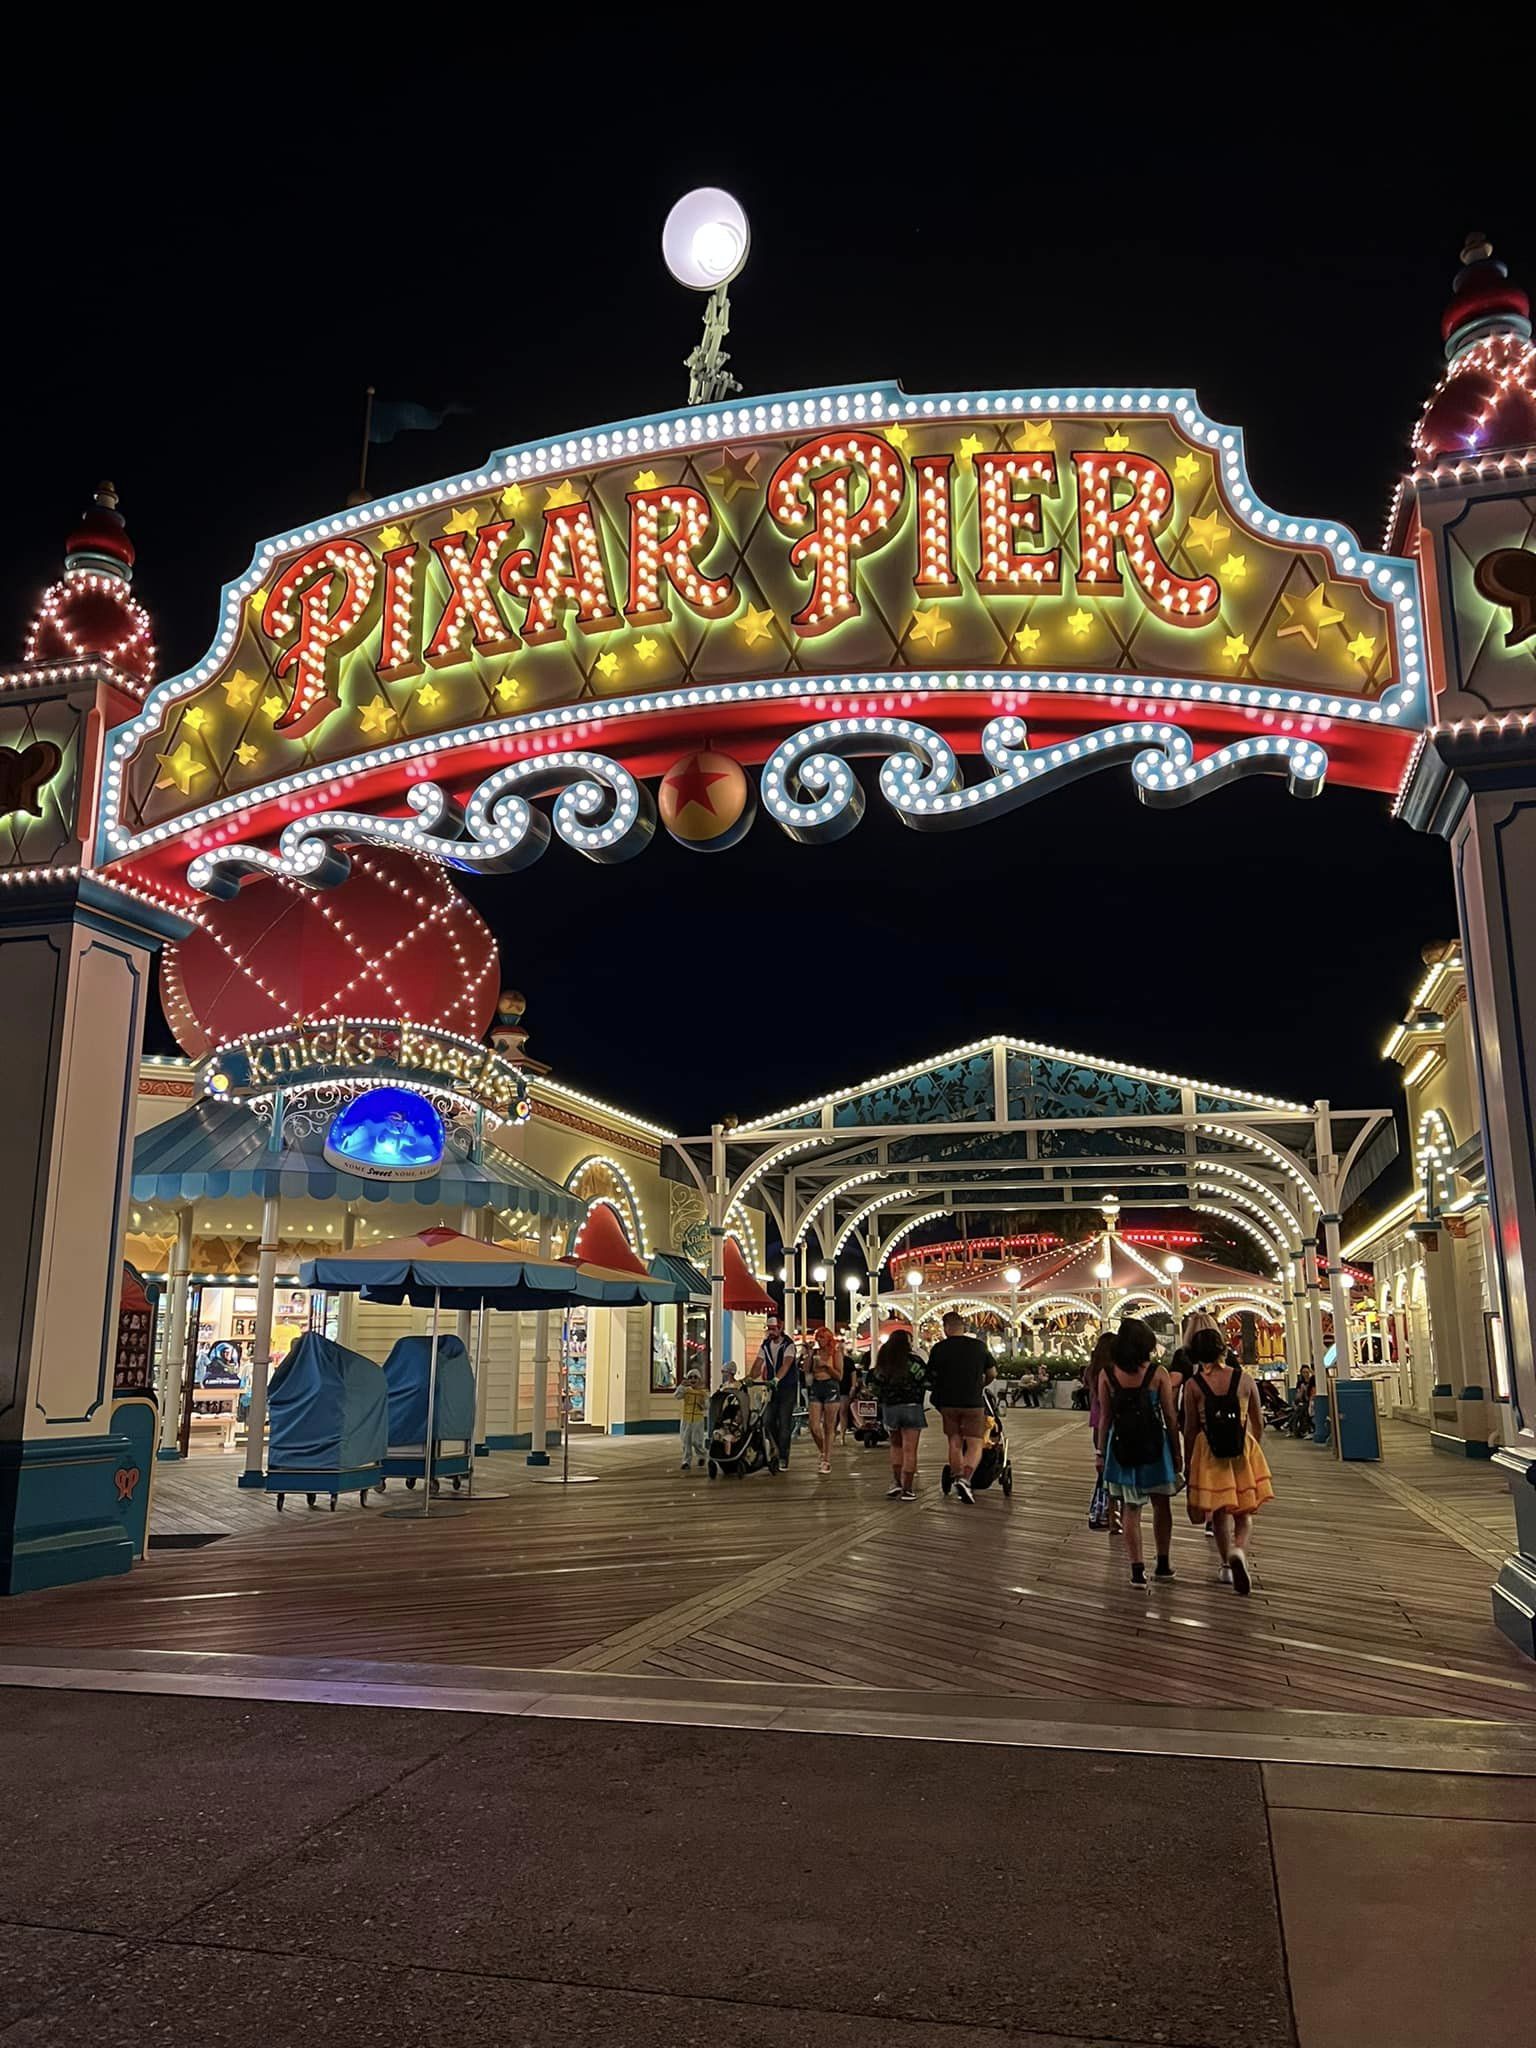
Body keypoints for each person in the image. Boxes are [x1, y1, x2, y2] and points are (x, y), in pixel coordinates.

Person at [1182, 1326, 1274, 1595]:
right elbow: (1258, 1420)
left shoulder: (1193, 1385)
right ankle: (1239, 1550)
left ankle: (1225, 1565)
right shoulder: (1243, 1379)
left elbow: (1190, 1428)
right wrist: (1251, 1445)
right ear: (1223, 1349)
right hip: (1240, 1449)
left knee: (1220, 1512)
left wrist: (1187, 1460)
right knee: (1243, 1514)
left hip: (1209, 1450)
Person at [1096, 1317, 1183, 1588]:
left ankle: (1136, 1568)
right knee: (1161, 1504)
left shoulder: (1107, 1374)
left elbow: (1105, 1418)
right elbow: (1170, 1416)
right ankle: (1164, 1562)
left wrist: (1100, 1452)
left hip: (1121, 1446)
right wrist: (1177, 1451)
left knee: (1130, 1507)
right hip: (1154, 1445)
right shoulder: (1158, 1374)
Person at [925, 1311, 991, 1504]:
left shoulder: (939, 1349)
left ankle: (957, 1475)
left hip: (948, 1402)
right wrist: (981, 1385)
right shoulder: (979, 1346)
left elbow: (931, 1376)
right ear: (963, 1326)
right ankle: (965, 1478)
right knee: (975, 1442)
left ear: (946, 1327)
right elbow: (992, 1372)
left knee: (954, 1441)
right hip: (972, 1401)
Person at [873, 1325, 927, 1499]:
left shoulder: (884, 1362)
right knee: (910, 1450)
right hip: (912, 1406)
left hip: (891, 1407)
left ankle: (896, 1482)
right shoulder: (915, 1362)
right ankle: (908, 1489)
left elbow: (873, 1384)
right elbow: (927, 1380)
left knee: (896, 1446)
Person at [754, 1316, 799, 1469]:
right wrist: (747, 1378)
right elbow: (758, 1364)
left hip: (787, 1388)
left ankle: (783, 1457)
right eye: (769, 1329)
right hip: (772, 1388)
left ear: (780, 1329)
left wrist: (776, 1379)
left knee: (785, 1422)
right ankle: (776, 1449)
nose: (771, 1332)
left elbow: (786, 1364)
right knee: (767, 1421)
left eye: (773, 1329)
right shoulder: (766, 1345)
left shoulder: (789, 1345)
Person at [1084, 1331, 1118, 1533]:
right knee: (1116, 1470)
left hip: (1097, 1422)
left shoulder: (1091, 1370)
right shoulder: (1115, 1372)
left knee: (1104, 1468)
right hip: (1114, 1420)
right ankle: (1115, 1513)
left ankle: (1109, 1513)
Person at [806, 1325, 843, 1475]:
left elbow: (839, 1376)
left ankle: (826, 1459)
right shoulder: (815, 1352)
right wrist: (809, 1355)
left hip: (831, 1386)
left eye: (822, 1337)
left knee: (829, 1426)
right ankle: (824, 1451)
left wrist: (826, 1367)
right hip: (816, 1386)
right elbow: (806, 1370)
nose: (820, 1341)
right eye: (818, 1338)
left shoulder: (835, 1353)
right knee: (813, 1425)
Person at [674, 1368, 708, 1472]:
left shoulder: (702, 1393)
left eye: (695, 1377)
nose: (693, 1379)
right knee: (686, 1441)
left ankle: (702, 1455)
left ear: (699, 1379)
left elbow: (707, 1405)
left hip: (698, 1420)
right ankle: (686, 1461)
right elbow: (677, 1396)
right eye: (690, 1377)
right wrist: (681, 1386)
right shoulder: (686, 1391)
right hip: (687, 1419)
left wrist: (702, 1405)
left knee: (696, 1441)